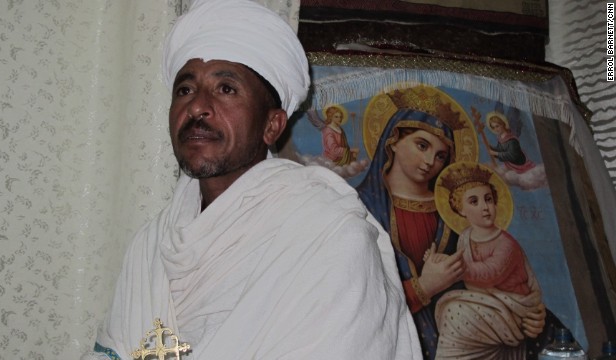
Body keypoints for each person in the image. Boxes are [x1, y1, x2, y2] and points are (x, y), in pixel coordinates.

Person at [81, 0, 422, 359]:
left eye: (226, 88)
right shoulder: (151, 246)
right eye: (184, 89)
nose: (196, 107)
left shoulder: (327, 235)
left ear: (271, 125)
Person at [356, 90, 468, 359]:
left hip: (455, 326)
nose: (431, 162)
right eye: (422, 145)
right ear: (393, 139)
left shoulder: (453, 212)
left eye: (441, 156)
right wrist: (423, 288)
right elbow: (353, 295)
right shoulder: (360, 207)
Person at [432, 161, 544, 359]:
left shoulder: (506, 244)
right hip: (488, 305)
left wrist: (456, 266)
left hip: (512, 308)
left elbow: (489, 273)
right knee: (450, 309)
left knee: (453, 311)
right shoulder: (465, 237)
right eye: (474, 201)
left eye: (488, 199)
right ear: (460, 209)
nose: (485, 207)